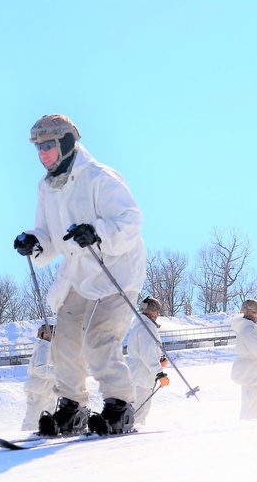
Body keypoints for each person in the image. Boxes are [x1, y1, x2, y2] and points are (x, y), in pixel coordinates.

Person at [14, 113, 146, 436]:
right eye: (38, 148)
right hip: (78, 272)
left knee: (99, 337)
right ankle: (73, 407)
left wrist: (97, 232)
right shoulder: (47, 188)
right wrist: (35, 242)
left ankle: (120, 406)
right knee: (65, 339)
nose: (42, 154)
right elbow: (49, 237)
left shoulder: (99, 177)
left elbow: (131, 220)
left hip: (115, 270)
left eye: (48, 145)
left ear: (67, 143)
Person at [126, 296, 169, 427]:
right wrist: (159, 373)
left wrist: (158, 363)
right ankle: (132, 435)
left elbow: (146, 352)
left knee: (138, 409)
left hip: (139, 374)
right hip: (142, 376)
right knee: (140, 411)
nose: (157, 315)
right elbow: (147, 354)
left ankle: (132, 430)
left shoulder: (141, 325)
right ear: (150, 311)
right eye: (156, 311)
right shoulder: (146, 327)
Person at [21, 322, 56, 431]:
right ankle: (26, 437)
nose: (47, 335)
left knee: (50, 415)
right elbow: (42, 370)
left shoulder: (49, 348)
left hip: (46, 390)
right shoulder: (44, 347)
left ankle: (48, 433)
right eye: (45, 333)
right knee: (34, 417)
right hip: (40, 390)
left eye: (49, 333)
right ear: (41, 334)